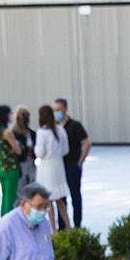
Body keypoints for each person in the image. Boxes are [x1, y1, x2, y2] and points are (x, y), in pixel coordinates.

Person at [52, 97, 90, 228]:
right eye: (54, 110)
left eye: (58, 109)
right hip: (58, 166)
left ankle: (77, 224)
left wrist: (81, 160)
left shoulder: (75, 125)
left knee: (75, 195)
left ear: (65, 109)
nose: (56, 112)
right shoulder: (53, 127)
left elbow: (86, 142)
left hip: (72, 165)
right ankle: (63, 226)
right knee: (60, 197)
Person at [32, 106, 69, 233]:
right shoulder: (60, 129)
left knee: (48, 199)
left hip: (46, 168)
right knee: (60, 199)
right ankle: (68, 226)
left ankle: (54, 229)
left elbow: (39, 152)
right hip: (58, 165)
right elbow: (66, 150)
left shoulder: (41, 132)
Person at [0, 106, 20, 217]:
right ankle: (8, 221)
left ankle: (3, 218)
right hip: (11, 167)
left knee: (5, 196)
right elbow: (18, 150)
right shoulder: (7, 132)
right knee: (10, 198)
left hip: (0, 166)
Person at [12, 106, 35, 188]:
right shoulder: (13, 134)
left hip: (31, 163)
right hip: (19, 164)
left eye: (26, 117)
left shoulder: (32, 133)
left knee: (32, 186)